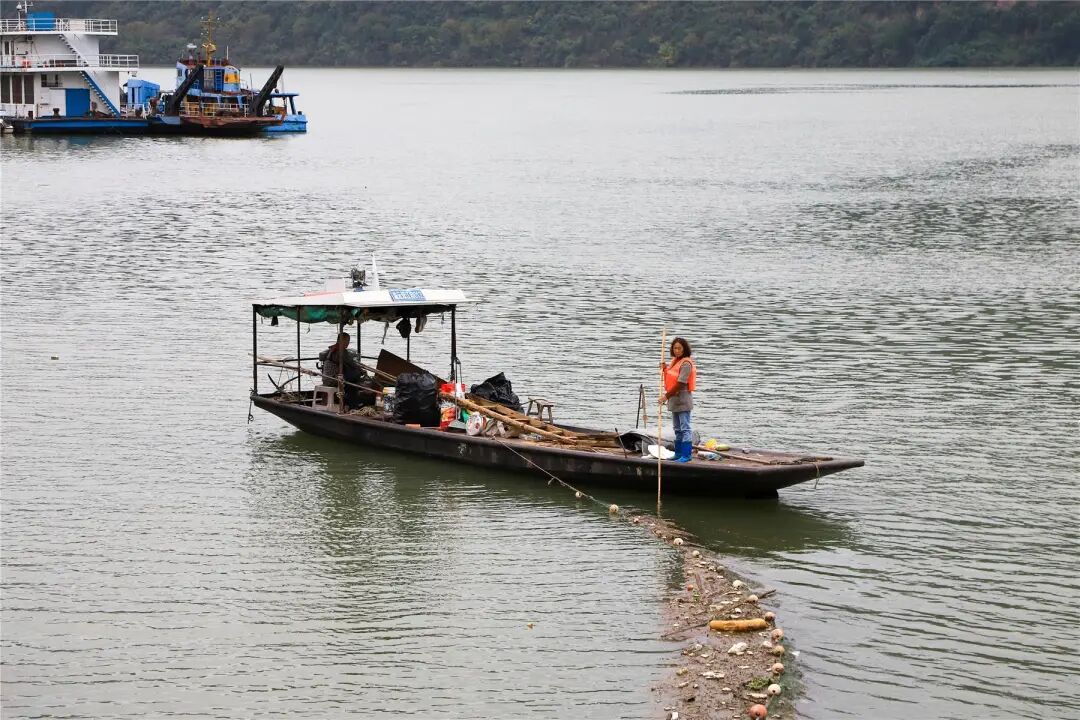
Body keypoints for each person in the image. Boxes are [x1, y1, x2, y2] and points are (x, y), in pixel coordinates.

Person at [660, 337, 697, 462]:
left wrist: (665, 396)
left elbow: (680, 383)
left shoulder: (686, 364)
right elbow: (671, 377)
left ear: (684, 349)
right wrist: (665, 368)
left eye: (679, 348)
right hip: (674, 400)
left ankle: (686, 455)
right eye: (675, 348)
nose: (677, 350)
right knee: (677, 429)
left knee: (685, 428)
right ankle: (678, 453)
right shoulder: (675, 361)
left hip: (683, 400)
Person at [319, 332, 372, 409]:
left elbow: (348, 363)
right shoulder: (340, 351)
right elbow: (350, 363)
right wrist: (360, 370)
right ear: (340, 340)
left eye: (348, 341)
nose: (348, 343)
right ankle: (353, 406)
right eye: (346, 341)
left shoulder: (333, 349)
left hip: (327, 378)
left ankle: (352, 402)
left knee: (352, 378)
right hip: (332, 379)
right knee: (352, 381)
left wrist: (358, 368)